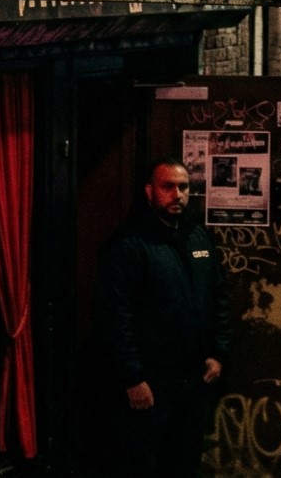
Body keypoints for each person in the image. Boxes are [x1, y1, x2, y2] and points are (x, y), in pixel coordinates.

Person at [93, 157, 229, 478]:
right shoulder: (129, 244)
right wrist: (132, 377)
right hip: (151, 382)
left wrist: (218, 352)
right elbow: (114, 315)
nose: (177, 194)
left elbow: (218, 297)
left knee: (184, 460)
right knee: (141, 461)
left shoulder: (198, 236)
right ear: (149, 191)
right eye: (167, 187)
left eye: (183, 187)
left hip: (193, 377)